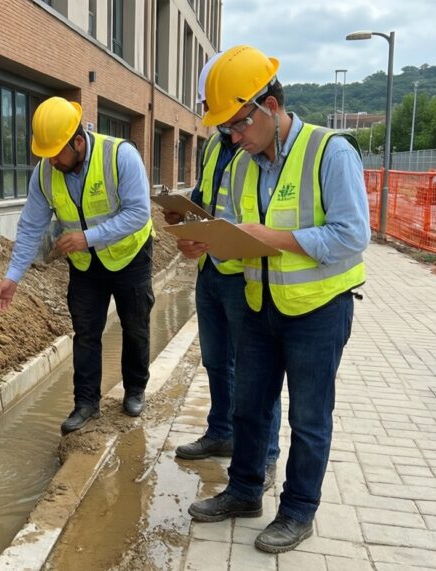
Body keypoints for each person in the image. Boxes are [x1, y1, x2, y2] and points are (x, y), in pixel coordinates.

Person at [186, 45, 369, 554]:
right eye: (225, 130)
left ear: (269, 105)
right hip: (257, 305)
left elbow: (352, 235)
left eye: (239, 124)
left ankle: (297, 511)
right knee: (249, 408)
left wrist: (273, 238)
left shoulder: (330, 151)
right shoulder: (243, 166)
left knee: (308, 418)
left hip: (319, 310)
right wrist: (207, 244)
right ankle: (245, 491)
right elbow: (236, 241)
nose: (234, 137)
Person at [0, 96, 154, 435]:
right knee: (85, 333)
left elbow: (139, 213)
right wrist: (13, 276)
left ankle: (135, 389)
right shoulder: (44, 174)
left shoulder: (121, 156)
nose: (50, 162)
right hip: (85, 267)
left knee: (135, 326)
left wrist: (88, 237)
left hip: (130, 257)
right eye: (45, 155)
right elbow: (31, 226)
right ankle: (86, 403)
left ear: (78, 142)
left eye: (56, 154)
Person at [167, 57, 281, 492]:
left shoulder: (263, 151)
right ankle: (221, 432)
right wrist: (187, 224)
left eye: (229, 120)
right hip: (212, 268)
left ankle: (264, 456)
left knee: (257, 374)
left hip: (245, 274)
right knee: (216, 361)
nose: (223, 129)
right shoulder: (217, 145)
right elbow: (206, 199)